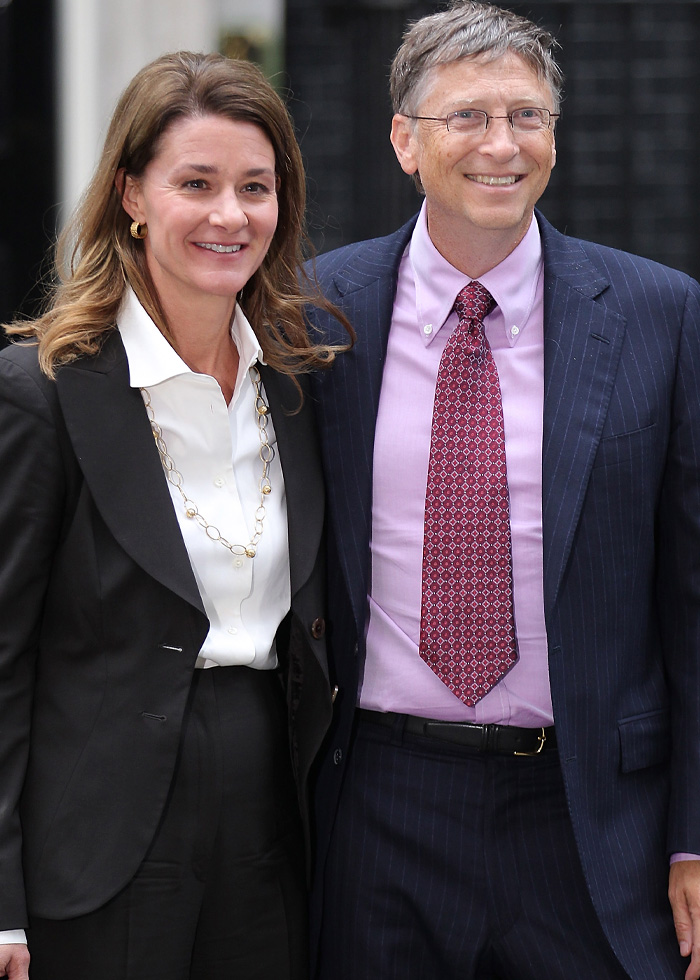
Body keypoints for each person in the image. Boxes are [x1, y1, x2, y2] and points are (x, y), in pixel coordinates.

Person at [304, 3, 700, 979]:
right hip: (378, 808)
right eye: (466, 116)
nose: (501, 144)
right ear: (403, 139)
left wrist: (694, 832)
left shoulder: (660, 314)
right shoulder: (317, 312)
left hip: (589, 817)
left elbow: (693, 599)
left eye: (526, 116)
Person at [0, 50, 347, 980]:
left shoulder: (303, 389)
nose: (231, 215)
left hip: (272, 816)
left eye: (256, 187)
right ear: (132, 196)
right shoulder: (40, 394)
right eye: (196, 183)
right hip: (96, 833)